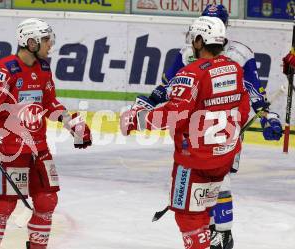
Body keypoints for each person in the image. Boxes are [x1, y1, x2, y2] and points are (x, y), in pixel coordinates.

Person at [133, 4, 283, 249]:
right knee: (209, 181)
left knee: (218, 179)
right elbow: (166, 86)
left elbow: (254, 90)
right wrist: (149, 102)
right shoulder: (187, 52)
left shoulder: (240, 54)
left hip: (220, 127)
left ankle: (221, 231)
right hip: (200, 129)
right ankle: (211, 229)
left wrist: (267, 116)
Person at [121, 16, 250, 249]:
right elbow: (242, 108)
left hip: (194, 161)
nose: (191, 42)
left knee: (188, 215)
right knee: (205, 209)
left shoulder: (191, 73)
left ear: (200, 41)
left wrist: (137, 119)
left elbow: (173, 114)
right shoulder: (234, 69)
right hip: (223, 157)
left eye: (194, 38)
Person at [0, 18, 92, 249]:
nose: (50, 45)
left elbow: (49, 103)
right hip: (10, 150)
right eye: (46, 40)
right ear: (31, 42)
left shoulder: (44, 68)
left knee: (47, 201)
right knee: (4, 206)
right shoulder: (3, 70)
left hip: (39, 148)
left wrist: (72, 125)